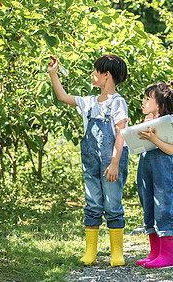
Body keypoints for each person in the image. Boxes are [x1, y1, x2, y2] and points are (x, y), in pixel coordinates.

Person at [47, 54, 129, 266]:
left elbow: (121, 134)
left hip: (112, 162)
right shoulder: (89, 102)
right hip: (91, 162)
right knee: (92, 204)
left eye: (95, 71)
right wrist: (53, 74)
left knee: (112, 204)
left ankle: (116, 253)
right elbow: (63, 96)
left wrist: (114, 163)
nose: (92, 75)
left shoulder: (118, 103)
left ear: (106, 75)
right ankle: (90, 252)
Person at [134, 81, 173, 269]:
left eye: (147, 99)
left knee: (164, 208)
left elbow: (171, 149)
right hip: (147, 169)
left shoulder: (168, 123)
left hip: (164, 171)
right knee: (149, 207)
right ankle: (155, 253)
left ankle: (168, 256)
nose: (143, 102)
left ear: (160, 105)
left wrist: (154, 138)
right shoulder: (148, 121)